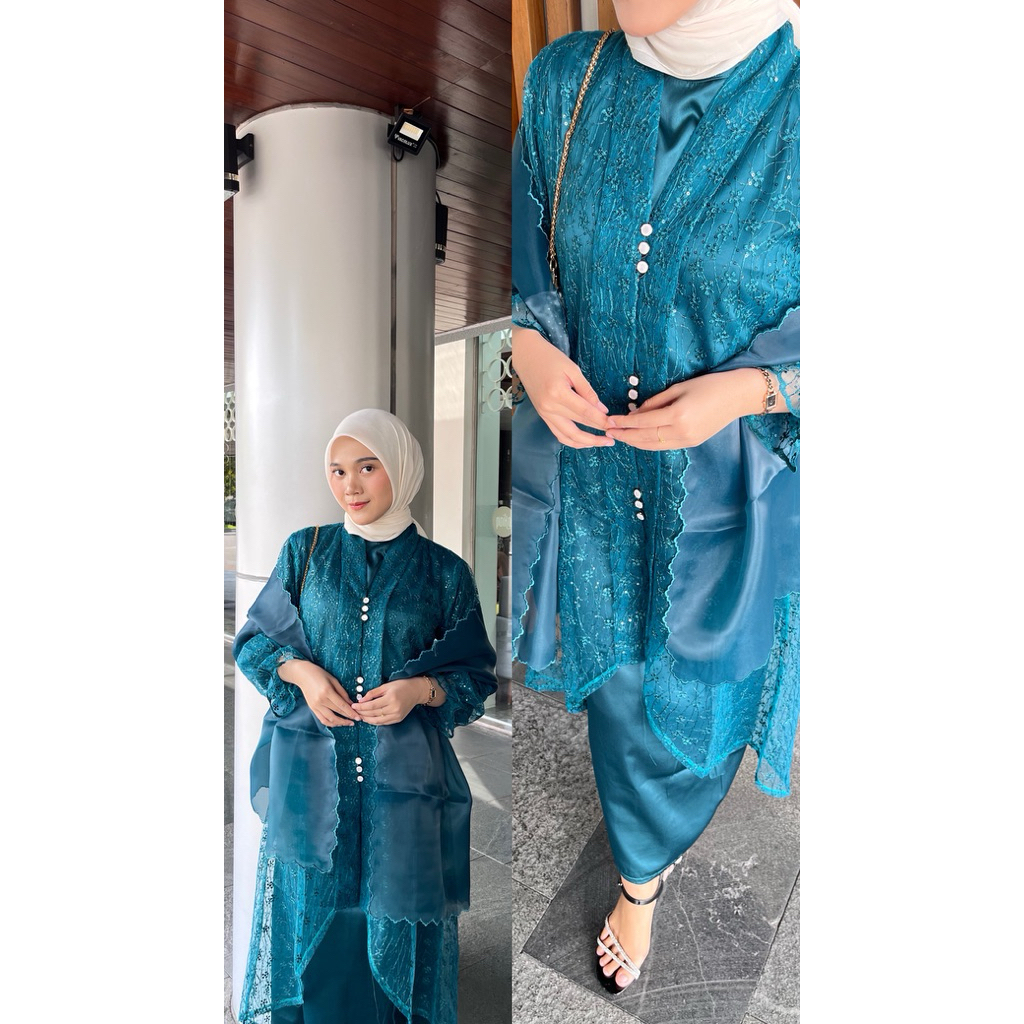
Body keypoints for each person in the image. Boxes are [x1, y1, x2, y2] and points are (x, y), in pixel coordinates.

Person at [510, 0, 800, 995]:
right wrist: (528, 344)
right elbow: (529, 261)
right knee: (619, 698)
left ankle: (661, 844)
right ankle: (638, 876)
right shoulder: (567, 80)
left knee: (703, 699)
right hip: (596, 486)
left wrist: (754, 390)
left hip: (731, 509)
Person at [234, 408, 497, 1023]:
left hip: (403, 788)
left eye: (367, 467)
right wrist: (299, 673)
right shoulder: (306, 551)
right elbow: (253, 642)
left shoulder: (445, 573)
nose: (350, 485)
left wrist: (420, 691)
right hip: (311, 780)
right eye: (337, 470)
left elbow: (475, 678)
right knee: (312, 916)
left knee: (394, 915)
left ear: (400, 469)